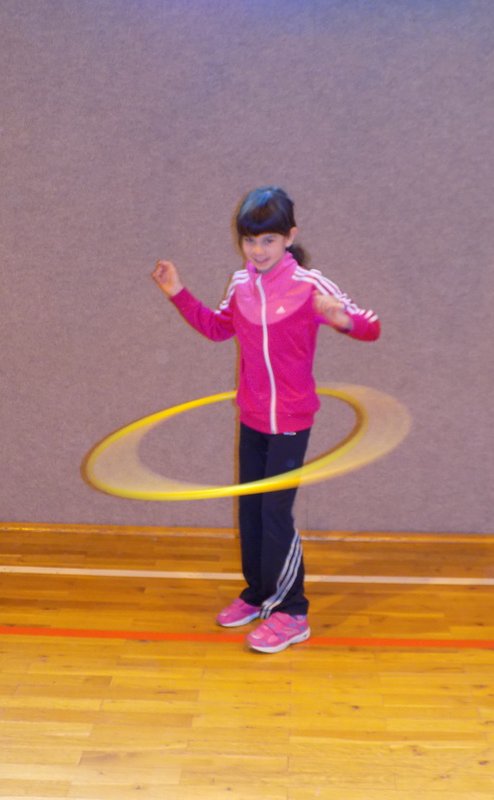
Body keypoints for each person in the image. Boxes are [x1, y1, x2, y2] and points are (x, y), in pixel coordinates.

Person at [151, 187, 380, 653]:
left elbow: (370, 326)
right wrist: (177, 293)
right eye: (250, 241)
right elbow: (218, 328)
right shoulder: (241, 284)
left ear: (289, 237)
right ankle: (258, 593)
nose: (258, 250)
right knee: (251, 511)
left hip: (291, 419)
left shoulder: (310, 284)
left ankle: (292, 611)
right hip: (253, 416)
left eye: (269, 240)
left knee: (276, 513)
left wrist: (341, 320)